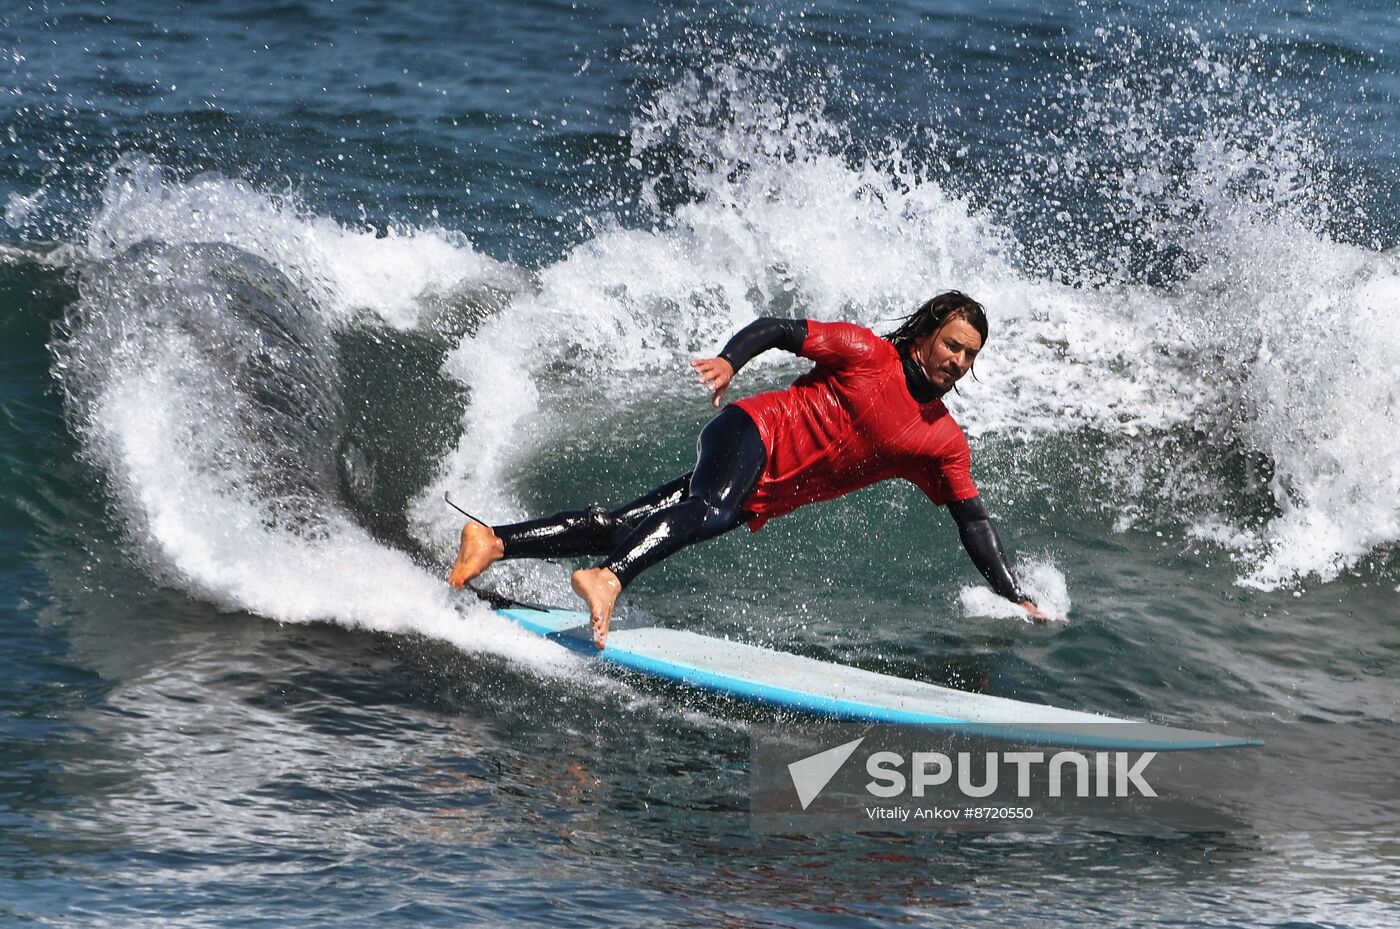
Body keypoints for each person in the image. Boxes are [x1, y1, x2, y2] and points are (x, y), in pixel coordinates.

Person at [448, 291, 1049, 647]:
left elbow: (972, 521)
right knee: (710, 510)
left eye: (971, 354)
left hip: (759, 488)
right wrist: (730, 362)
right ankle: (609, 578)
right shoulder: (867, 351)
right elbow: (779, 329)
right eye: (953, 345)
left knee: (631, 521)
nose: (960, 361)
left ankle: (493, 541)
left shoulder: (939, 440)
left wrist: (1015, 595)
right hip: (750, 431)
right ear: (925, 337)